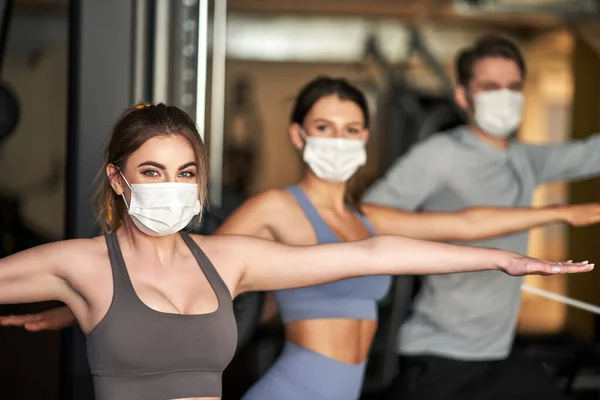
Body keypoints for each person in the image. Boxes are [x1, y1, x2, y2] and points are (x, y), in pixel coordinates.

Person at [1, 81, 598, 400]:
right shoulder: (80, 263)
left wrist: (506, 260)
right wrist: (68, 309)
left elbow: (374, 252)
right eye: (152, 172)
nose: (171, 187)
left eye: (185, 173)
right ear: (119, 178)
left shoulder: (228, 260)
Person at [363, 34, 600, 400]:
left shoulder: (524, 159)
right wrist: (456, 226)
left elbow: (590, 154)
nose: (504, 96)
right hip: (440, 353)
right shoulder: (441, 155)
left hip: (496, 353)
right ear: (463, 97)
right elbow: (368, 216)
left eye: (513, 87)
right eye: (490, 86)